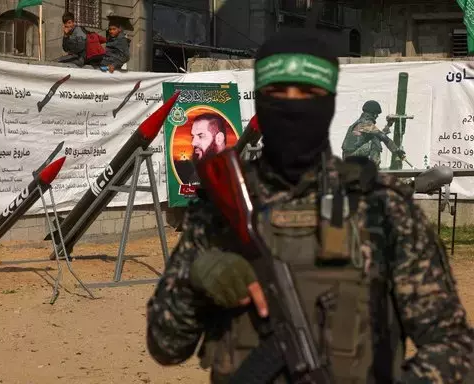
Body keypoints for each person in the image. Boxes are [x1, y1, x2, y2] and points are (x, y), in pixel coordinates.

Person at [146, 29, 474, 383]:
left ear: (329, 102)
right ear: (259, 100)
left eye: (307, 93)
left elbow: (454, 348)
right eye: (277, 93)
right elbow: (165, 346)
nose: (292, 105)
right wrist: (197, 282)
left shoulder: (381, 207)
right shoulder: (222, 210)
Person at [341, 100, 406, 168]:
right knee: (374, 143)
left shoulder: (361, 122)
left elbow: (378, 136)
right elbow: (382, 137)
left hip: (350, 158)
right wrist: (397, 150)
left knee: (374, 140)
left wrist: (388, 125)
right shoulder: (365, 123)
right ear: (373, 114)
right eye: (377, 114)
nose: (377, 116)